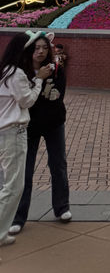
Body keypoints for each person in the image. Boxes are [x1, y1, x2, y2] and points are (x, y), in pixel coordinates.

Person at [9, 32, 71, 235]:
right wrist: (38, 80)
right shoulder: (22, 72)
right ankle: (18, 217)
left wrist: (39, 86)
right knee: (25, 172)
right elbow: (26, 100)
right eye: (37, 48)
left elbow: (56, 97)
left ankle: (62, 208)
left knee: (58, 165)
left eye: (45, 47)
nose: (41, 51)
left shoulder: (56, 71)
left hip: (54, 124)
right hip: (30, 126)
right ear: (29, 50)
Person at [0, 32, 52, 254]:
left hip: (8, 132)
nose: (36, 52)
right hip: (13, 132)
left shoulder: (6, 71)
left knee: (11, 184)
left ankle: (2, 232)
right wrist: (39, 79)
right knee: (13, 186)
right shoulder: (17, 74)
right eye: (32, 48)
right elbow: (28, 100)